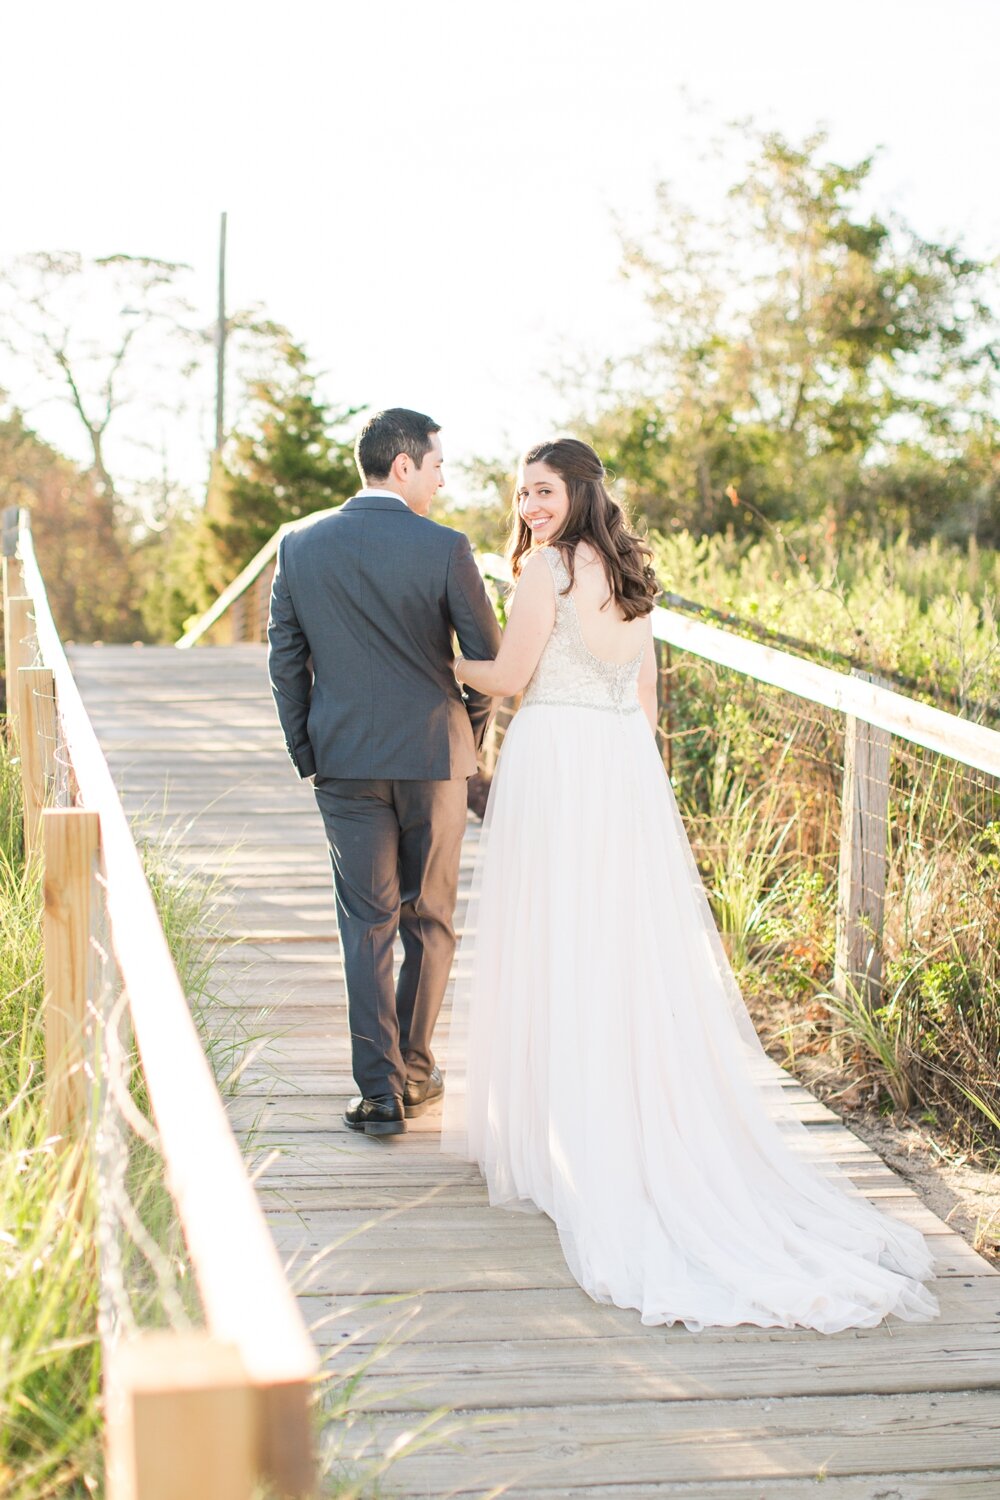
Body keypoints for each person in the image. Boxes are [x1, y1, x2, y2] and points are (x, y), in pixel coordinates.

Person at [441, 436, 939, 1332]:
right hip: (622, 769)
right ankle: (613, 1120)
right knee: (612, 947)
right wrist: (635, 782)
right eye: (521, 495)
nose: (529, 509)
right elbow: (644, 701)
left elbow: (512, 679)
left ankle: (567, 1137)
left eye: (544, 491)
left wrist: (444, 665)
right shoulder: (630, 573)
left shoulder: (545, 571)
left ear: (580, 492)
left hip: (557, 760)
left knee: (556, 940)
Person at [267, 408, 501, 1136]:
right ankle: (418, 1070)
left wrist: (309, 750)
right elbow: (486, 665)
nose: (439, 479)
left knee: (365, 924)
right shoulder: (445, 548)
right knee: (427, 919)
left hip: (345, 764)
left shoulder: (299, 547)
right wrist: (465, 732)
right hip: (434, 760)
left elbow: (284, 661)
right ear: (403, 466)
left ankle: (377, 1093)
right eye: (435, 466)